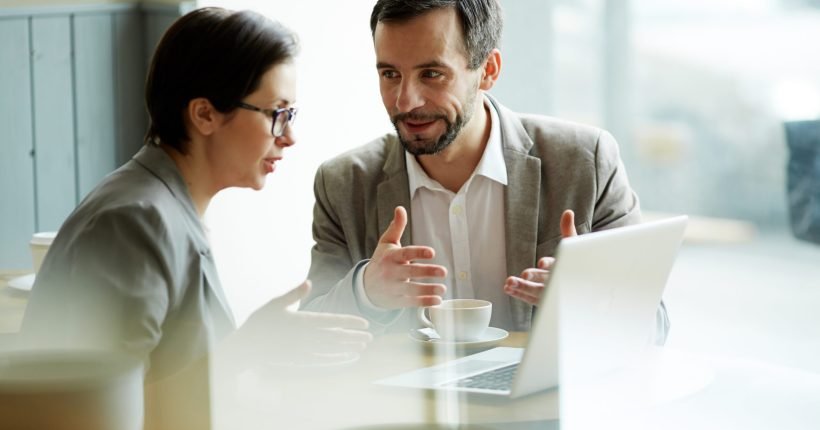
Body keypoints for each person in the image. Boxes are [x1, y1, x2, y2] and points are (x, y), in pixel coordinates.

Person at [21, 7, 372, 429]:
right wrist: (251, 348)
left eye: (291, 114)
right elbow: (121, 411)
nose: (289, 136)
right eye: (276, 112)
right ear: (204, 114)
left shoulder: (163, 206)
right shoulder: (133, 222)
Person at [301, 0, 669, 343]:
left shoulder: (584, 161)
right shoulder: (343, 183)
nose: (405, 101)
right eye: (390, 73)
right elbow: (310, 334)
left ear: (488, 70)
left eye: (431, 74)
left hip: (546, 408)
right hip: (404, 412)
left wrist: (592, 302)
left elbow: (652, 324)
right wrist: (366, 293)